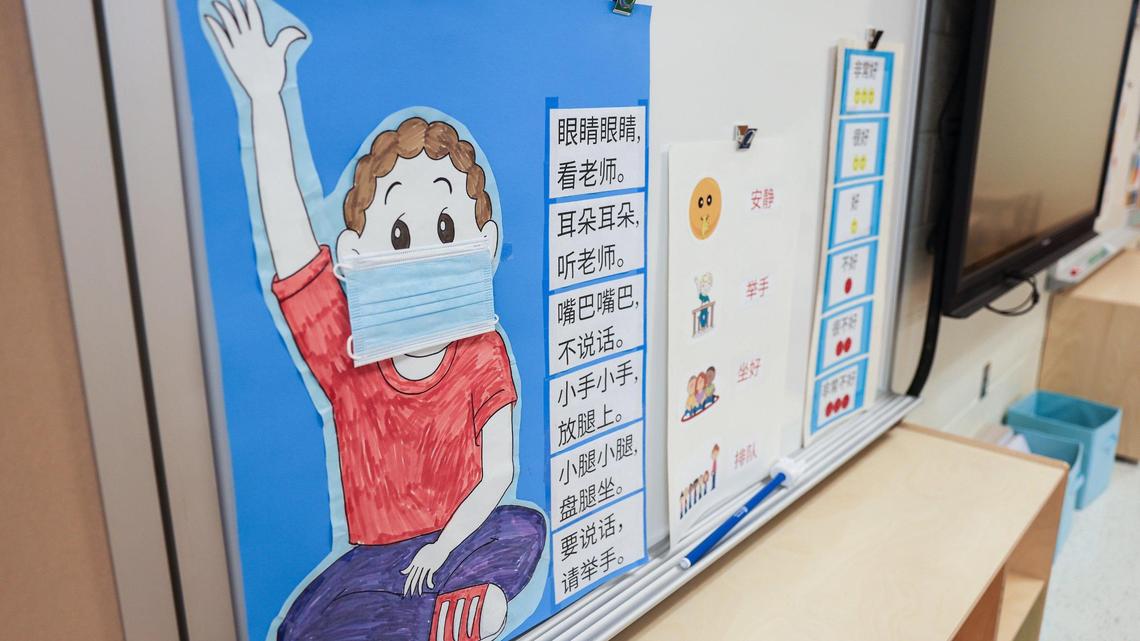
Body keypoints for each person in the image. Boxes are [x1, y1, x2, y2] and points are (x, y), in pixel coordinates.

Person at [204, 2, 544, 639]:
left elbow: (498, 471)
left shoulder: (481, 351)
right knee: (303, 628)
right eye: (402, 231)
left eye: (446, 228)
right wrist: (265, 98)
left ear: (485, 239)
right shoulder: (345, 348)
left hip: (461, 545)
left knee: (523, 530)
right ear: (356, 253)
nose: (425, 251)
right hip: (378, 565)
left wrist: (442, 551)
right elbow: (291, 246)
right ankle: (437, 620)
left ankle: (430, 614)